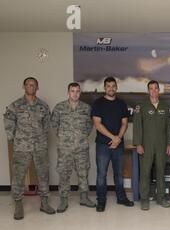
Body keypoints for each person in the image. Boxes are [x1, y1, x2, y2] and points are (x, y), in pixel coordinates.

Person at [3, 77, 55, 220]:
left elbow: (47, 124)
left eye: (33, 85)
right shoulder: (15, 105)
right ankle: (18, 206)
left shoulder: (43, 106)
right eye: (28, 84)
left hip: (40, 147)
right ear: (23, 86)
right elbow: (8, 122)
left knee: (43, 175)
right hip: (22, 147)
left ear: (37, 88)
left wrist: (42, 138)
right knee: (18, 177)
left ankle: (44, 203)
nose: (31, 87)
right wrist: (13, 138)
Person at [51, 82, 96, 213]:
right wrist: (64, 138)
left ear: (80, 93)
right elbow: (54, 125)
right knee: (64, 174)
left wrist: (80, 137)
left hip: (81, 148)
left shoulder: (86, 108)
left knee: (83, 173)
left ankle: (84, 198)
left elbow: (89, 126)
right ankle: (63, 200)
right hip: (65, 149)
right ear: (68, 92)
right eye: (72, 91)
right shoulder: (60, 107)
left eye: (77, 91)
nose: (75, 93)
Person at [91, 76, 134, 212]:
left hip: (118, 145)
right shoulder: (98, 103)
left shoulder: (121, 103)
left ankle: (121, 198)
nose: (111, 88)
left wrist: (118, 138)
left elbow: (124, 123)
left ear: (116, 87)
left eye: (113, 86)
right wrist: (113, 138)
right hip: (103, 145)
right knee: (101, 174)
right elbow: (97, 124)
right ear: (104, 88)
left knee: (119, 174)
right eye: (108, 86)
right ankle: (101, 201)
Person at [133, 80, 170, 210]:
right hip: (146, 145)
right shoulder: (141, 106)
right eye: (151, 88)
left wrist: (169, 144)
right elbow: (137, 127)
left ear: (159, 90)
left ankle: (161, 198)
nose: (154, 91)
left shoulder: (165, 107)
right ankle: (144, 199)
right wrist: (138, 144)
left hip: (161, 146)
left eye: (156, 88)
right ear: (148, 91)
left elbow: (168, 127)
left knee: (160, 172)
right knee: (145, 172)